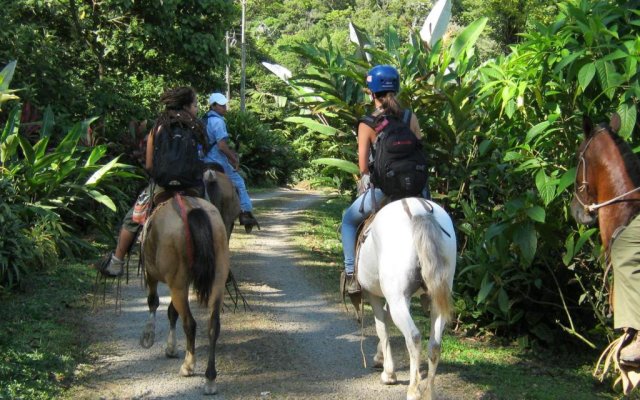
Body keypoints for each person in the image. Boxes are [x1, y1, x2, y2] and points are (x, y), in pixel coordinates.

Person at [100, 86, 207, 277]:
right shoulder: (197, 127)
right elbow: (201, 159)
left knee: (132, 219)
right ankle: (218, 260)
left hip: (162, 186)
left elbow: (149, 165)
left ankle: (117, 261)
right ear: (186, 106)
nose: (196, 109)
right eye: (195, 105)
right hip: (192, 187)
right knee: (212, 213)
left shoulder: (157, 127)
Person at [341, 65, 424, 294]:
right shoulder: (410, 117)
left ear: (371, 91)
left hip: (384, 190)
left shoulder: (368, 123)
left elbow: (363, 167)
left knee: (348, 221)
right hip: (415, 188)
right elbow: (420, 149)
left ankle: (351, 276)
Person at [202, 92, 259, 230]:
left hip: (202, 161)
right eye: (221, 105)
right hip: (216, 161)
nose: (225, 108)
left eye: (224, 105)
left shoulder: (203, 120)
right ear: (213, 106)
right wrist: (234, 159)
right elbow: (221, 146)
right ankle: (245, 213)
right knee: (239, 182)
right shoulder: (218, 121)